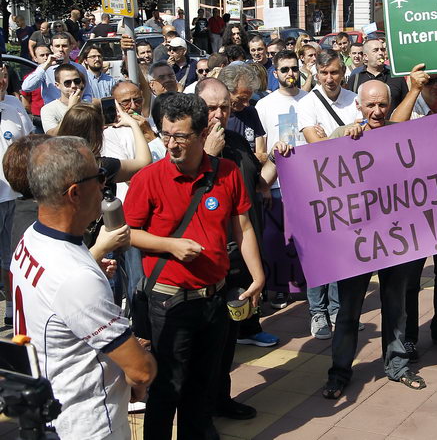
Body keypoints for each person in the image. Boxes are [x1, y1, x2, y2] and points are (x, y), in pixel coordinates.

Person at [125, 92, 265, 439]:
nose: (171, 144)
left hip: (216, 297)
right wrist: (169, 245)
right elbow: (126, 233)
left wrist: (258, 275)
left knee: (204, 382)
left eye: (181, 137)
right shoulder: (149, 178)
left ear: (203, 134)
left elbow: (242, 226)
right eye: (165, 135)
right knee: (167, 387)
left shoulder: (228, 172)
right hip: (170, 302)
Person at [12, 136, 156, 439]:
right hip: (88, 423)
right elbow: (140, 370)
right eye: (100, 176)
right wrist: (142, 362)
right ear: (74, 193)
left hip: (53, 412)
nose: (106, 185)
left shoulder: (31, 239)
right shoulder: (75, 277)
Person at [322, 80, 430, 399]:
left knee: (395, 305)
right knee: (349, 311)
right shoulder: (345, 133)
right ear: (358, 105)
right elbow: (319, 161)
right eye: (370, 105)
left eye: (382, 104)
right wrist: (343, 137)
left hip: (394, 237)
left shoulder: (402, 135)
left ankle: (396, 365)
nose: (377, 111)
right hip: (356, 242)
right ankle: (340, 372)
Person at [196, 79, 276, 422]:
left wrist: (278, 157)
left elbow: (259, 182)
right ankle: (198, 410)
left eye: (224, 107)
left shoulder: (237, 145)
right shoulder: (187, 148)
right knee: (201, 344)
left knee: (228, 337)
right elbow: (189, 198)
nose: (218, 114)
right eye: (211, 107)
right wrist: (209, 155)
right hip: (202, 264)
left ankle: (221, 398)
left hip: (238, 259)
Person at [389, 65, 437, 360]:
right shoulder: (411, 107)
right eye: (431, 80)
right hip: (413, 207)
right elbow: (392, 129)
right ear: (419, 81)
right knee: (411, 274)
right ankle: (408, 336)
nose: (436, 85)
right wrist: (412, 91)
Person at [297, 50, 361, 338]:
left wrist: (331, 134)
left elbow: (365, 138)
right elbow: (317, 145)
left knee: (344, 251)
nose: (329, 78)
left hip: (351, 185)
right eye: (324, 73)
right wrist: (343, 133)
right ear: (316, 73)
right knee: (318, 253)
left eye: (334, 72)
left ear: (342, 72)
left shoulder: (354, 99)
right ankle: (318, 313)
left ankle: (338, 310)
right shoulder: (307, 103)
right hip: (316, 186)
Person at [254, 50, 307, 309]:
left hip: (307, 182)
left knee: (304, 238)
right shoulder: (264, 106)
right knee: (276, 239)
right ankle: (279, 289)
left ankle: (305, 285)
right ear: (275, 73)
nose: (290, 74)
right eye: (284, 69)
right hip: (275, 182)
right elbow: (260, 149)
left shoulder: (310, 100)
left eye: (294, 68)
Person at [0, 63, 33, 321]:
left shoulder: (13, 107)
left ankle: (12, 308)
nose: (1, 82)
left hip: (16, 197)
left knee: (11, 256)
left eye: (2, 77)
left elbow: (27, 145)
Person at [21, 32, 91, 105]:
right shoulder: (45, 69)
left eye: (64, 46)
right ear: (51, 48)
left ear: (70, 47)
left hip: (76, 110)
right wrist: (46, 65)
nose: (61, 49)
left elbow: (87, 93)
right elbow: (26, 87)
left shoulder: (79, 68)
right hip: (54, 111)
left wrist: (83, 105)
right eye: (57, 46)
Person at [218, 63, 267, 158]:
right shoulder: (216, 117)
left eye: (248, 99)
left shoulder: (251, 112)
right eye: (241, 99)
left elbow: (261, 155)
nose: (246, 104)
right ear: (226, 91)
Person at [347, 38, 407, 111]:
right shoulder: (355, 78)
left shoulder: (396, 77)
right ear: (365, 56)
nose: (381, 53)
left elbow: (406, 104)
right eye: (375, 50)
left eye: (382, 50)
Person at [40, 64, 88, 133]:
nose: (73, 86)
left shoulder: (88, 106)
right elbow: (52, 135)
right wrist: (70, 109)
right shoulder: (48, 109)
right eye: (67, 83)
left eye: (77, 81)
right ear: (57, 85)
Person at [20, 45, 51, 132]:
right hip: (38, 121)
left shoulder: (57, 75)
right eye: (42, 55)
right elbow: (25, 102)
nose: (46, 58)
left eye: (48, 54)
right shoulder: (30, 79)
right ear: (35, 59)